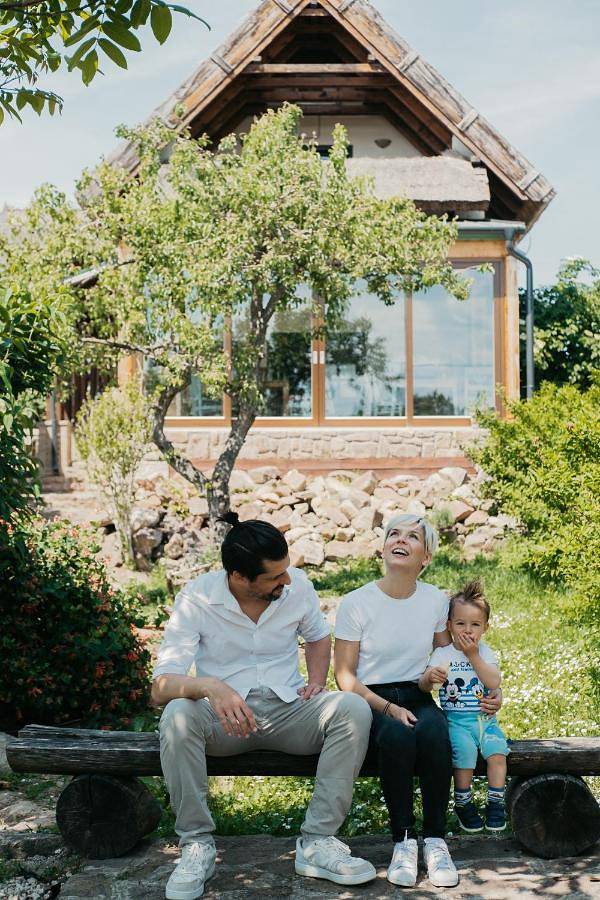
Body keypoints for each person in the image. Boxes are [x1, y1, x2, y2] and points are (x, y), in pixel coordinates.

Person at [152, 512, 376, 900]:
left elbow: (319, 637)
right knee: (176, 715)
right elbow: (160, 687)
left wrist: (318, 682)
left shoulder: (298, 586)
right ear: (239, 577)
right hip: (222, 722)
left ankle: (317, 843)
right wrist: (208, 686)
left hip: (288, 711)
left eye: (285, 571)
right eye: (275, 576)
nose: (286, 580)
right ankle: (197, 846)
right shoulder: (197, 597)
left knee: (352, 710)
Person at [334, 513, 502, 889]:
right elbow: (344, 676)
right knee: (396, 735)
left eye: (413, 536)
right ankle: (404, 841)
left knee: (435, 730)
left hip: (418, 691)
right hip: (370, 699)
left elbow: (455, 655)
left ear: (425, 557)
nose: (401, 539)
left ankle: (436, 839)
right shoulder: (356, 602)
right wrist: (386, 708)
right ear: (383, 548)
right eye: (394, 533)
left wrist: (494, 691)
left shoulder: (434, 601)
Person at [420, 579, 509, 833]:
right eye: (460, 623)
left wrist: (473, 656)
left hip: (485, 721)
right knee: (464, 758)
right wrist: (428, 679)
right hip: (456, 722)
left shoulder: (485, 652)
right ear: (449, 625)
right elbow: (424, 686)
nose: (467, 630)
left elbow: (494, 681)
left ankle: (495, 802)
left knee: (497, 755)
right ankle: (463, 802)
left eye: (475, 625)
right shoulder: (443, 654)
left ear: (485, 628)